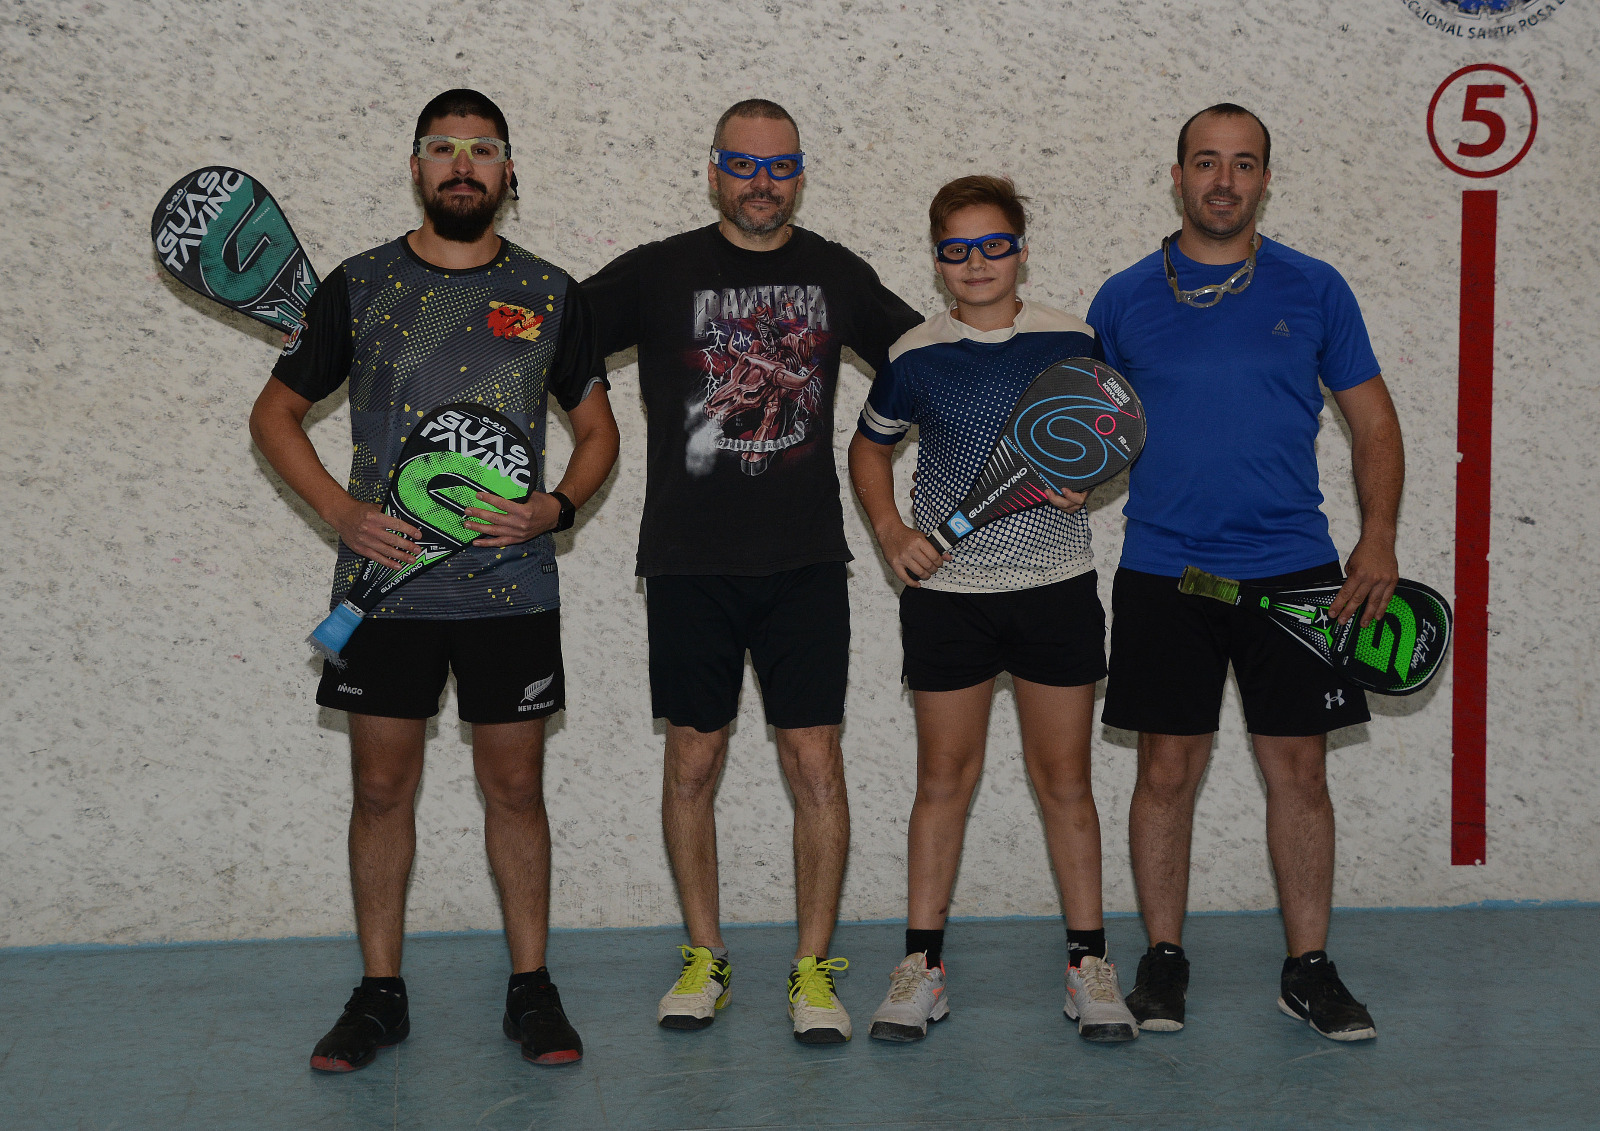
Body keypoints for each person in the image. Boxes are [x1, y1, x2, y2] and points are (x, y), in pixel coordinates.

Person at [248, 89, 619, 1070]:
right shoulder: (358, 286)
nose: (463, 163)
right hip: (385, 595)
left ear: (509, 171)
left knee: (516, 786)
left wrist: (556, 507)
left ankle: (532, 990)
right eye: (443, 147)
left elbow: (597, 431)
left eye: (482, 148)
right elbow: (274, 415)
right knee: (380, 788)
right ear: (416, 168)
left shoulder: (550, 292)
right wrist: (340, 512)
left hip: (512, 590)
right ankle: (379, 995)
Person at [583, 99, 922, 1044]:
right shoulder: (658, 271)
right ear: (714, 171)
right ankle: (706, 954)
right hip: (687, 562)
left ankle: (812, 968)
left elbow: (931, 363)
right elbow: (548, 336)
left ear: (799, 174)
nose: (761, 183)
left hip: (804, 561)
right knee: (693, 761)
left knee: (815, 762)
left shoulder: (836, 273)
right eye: (743, 164)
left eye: (778, 166)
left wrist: (1029, 384)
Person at [1087, 104, 1404, 1042]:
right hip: (1165, 572)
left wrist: (1379, 538)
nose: (1223, 181)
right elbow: (1088, 429)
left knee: (1298, 770)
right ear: (1176, 176)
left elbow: (1374, 422)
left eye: (1243, 164)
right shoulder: (1124, 298)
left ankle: (1308, 970)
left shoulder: (1316, 287)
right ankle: (1163, 962)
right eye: (1205, 162)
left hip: (1294, 570)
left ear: (1266, 178)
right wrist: (1065, 482)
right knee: (1165, 769)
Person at [849, 175, 1138, 1045]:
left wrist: (1087, 482)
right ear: (938, 260)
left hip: (1056, 590)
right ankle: (922, 968)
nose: (977, 263)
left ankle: (1089, 966)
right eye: (957, 249)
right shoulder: (914, 354)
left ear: (1021, 250)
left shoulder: (1072, 337)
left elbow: (1105, 432)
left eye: (994, 245)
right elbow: (869, 450)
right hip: (949, 601)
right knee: (943, 780)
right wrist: (892, 529)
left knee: (1066, 782)